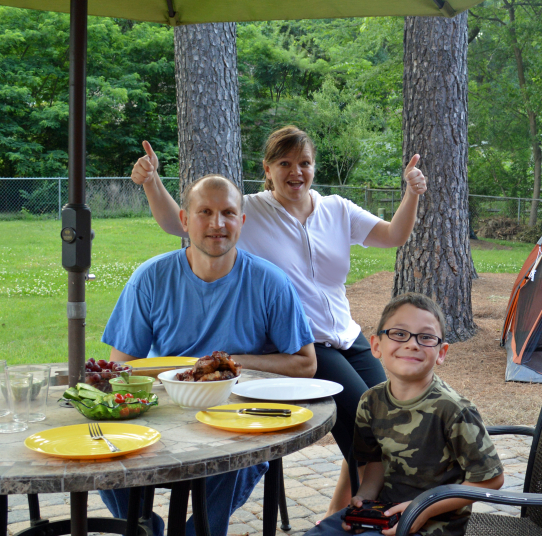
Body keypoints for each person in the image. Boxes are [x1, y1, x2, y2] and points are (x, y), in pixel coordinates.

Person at [131, 125, 427, 514]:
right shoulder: (250, 210)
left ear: (314, 167)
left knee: (393, 422)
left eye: (304, 162)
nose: (296, 172)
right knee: (370, 431)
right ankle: (358, 517)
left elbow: (393, 235)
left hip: (348, 338)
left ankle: (336, 518)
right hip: (306, 345)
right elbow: (180, 224)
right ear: (267, 169)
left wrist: (411, 194)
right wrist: (152, 182)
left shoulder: (337, 208)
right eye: (284, 162)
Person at [101, 174, 316, 536]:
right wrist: (185, 373)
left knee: (242, 455)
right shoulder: (150, 278)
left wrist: (234, 362)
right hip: (165, 407)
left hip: (238, 411)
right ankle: (139, 526)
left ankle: (198, 532)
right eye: (205, 212)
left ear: (242, 222)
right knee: (103, 443)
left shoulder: (271, 282)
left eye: (228, 213)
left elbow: (306, 363)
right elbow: (120, 366)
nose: (217, 224)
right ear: (184, 220)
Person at [307, 292, 504, 536]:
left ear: (441, 352)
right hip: (385, 513)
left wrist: (422, 509)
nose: (412, 344)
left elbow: (491, 481)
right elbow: (375, 462)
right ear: (376, 346)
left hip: (435, 524)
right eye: (399, 334)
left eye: (426, 337)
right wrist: (364, 500)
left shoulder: (454, 410)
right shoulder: (370, 401)